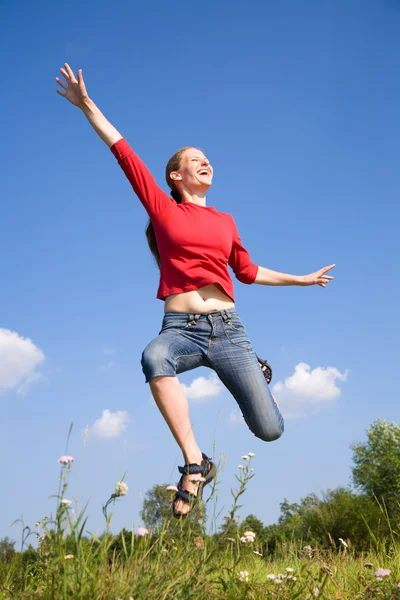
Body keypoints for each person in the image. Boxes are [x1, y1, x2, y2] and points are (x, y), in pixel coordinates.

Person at [55, 63, 335, 517]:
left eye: (207, 158)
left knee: (269, 430)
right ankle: (194, 460)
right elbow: (121, 149)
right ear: (175, 176)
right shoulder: (164, 210)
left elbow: (246, 270)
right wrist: (87, 104)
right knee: (153, 357)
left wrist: (301, 279)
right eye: (193, 159)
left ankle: (257, 379)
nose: (205, 161)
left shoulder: (225, 221)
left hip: (229, 331)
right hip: (181, 328)